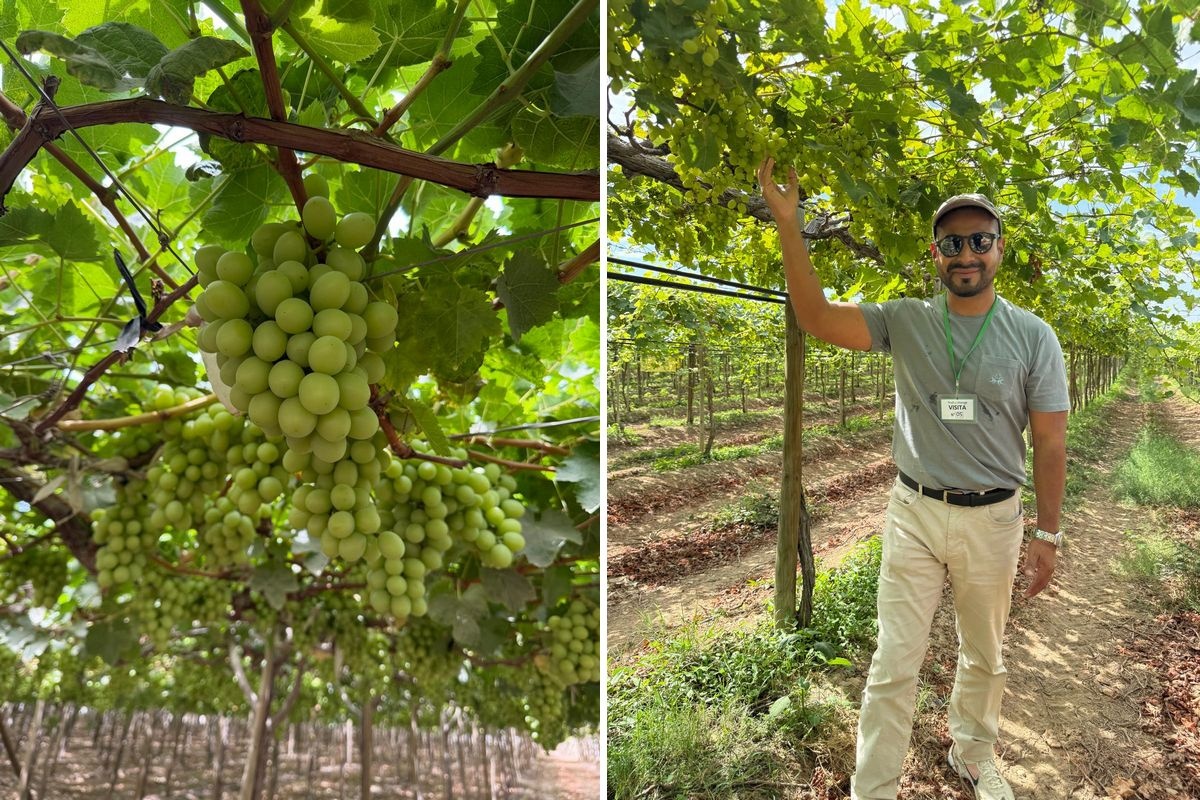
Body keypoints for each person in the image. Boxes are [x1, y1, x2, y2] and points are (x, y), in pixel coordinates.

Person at [756, 158, 1069, 800]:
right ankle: (873, 788)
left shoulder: (1033, 336)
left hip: (995, 519)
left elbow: (1050, 441)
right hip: (915, 513)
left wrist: (1048, 532)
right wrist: (789, 224)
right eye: (953, 244)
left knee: (984, 652)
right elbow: (816, 316)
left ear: (999, 249)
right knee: (894, 660)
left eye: (980, 240)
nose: (967, 254)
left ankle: (973, 754)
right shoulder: (904, 319)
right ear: (936, 255)